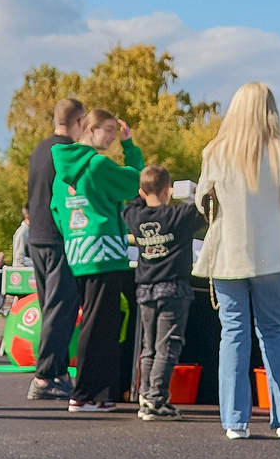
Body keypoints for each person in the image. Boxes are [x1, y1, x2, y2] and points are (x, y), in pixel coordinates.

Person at [195, 83, 280, 438]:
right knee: (273, 331)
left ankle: (235, 421)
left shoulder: (215, 150)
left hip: (229, 249)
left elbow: (202, 199)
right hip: (271, 252)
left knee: (233, 332)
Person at [51, 112, 141, 412]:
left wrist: (73, 236)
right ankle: (86, 393)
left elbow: (55, 209)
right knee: (101, 324)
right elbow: (134, 184)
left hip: (79, 251)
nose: (114, 136)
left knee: (93, 319)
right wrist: (131, 148)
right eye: (110, 130)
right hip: (105, 252)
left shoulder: (62, 170)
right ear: (91, 129)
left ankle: (96, 394)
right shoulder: (98, 164)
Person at [125, 165, 205, 420]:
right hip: (173, 287)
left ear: (142, 190)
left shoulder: (134, 216)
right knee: (167, 346)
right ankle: (156, 399)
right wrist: (190, 192)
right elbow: (206, 207)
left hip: (145, 289)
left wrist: (143, 191)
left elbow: (132, 201)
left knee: (148, 347)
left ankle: (146, 394)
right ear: (168, 190)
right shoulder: (179, 216)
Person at [23, 98, 89, 403]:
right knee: (60, 308)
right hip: (58, 236)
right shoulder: (68, 152)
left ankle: (58, 371)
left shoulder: (39, 150)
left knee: (52, 304)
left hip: (36, 236)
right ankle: (45, 376)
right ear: (78, 121)